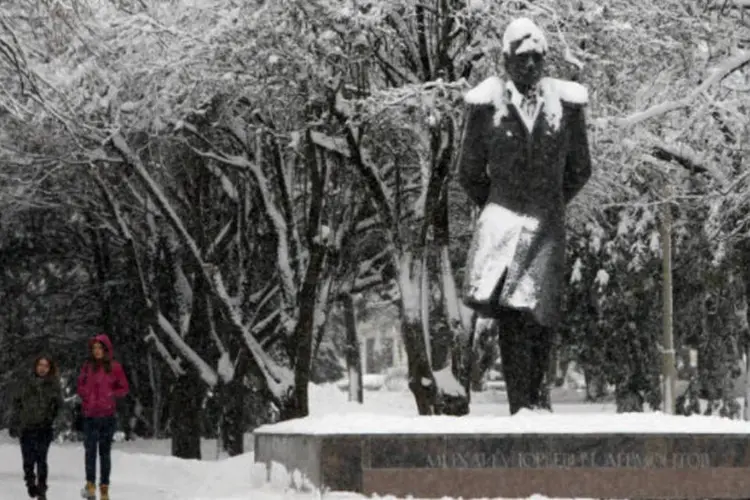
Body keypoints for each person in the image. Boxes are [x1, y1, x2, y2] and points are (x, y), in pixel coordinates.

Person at [458, 17, 592, 415]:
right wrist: (501, 203)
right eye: (522, 58)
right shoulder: (486, 107)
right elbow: (468, 173)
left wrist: (549, 201)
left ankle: (538, 404)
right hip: (503, 225)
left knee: (541, 313)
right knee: (513, 317)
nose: (530, 66)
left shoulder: (567, 106)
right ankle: (522, 409)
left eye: (537, 58)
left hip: (547, 224)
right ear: (506, 60)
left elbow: (580, 169)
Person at [76, 334, 130, 500]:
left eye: (100, 348)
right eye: (94, 349)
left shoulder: (115, 367)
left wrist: (110, 395)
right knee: (90, 451)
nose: (97, 351)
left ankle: (104, 488)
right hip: (89, 415)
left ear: (106, 350)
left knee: (104, 453)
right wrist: (85, 394)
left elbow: (124, 388)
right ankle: (90, 485)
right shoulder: (87, 366)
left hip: (107, 415)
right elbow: (79, 385)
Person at [10, 354, 63, 500]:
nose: (42, 368)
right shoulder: (26, 383)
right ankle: (30, 482)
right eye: (40, 365)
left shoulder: (54, 385)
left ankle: (42, 486)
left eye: (46, 366)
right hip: (26, 426)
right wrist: (14, 422)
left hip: (44, 427)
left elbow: (60, 406)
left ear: (50, 368)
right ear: (35, 366)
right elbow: (17, 404)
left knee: (41, 459)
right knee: (28, 459)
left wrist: (56, 422)